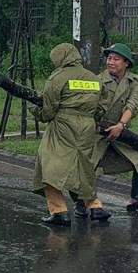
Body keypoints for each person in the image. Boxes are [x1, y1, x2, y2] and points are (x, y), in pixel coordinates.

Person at [32, 42, 104, 226]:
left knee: (50, 165)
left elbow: (49, 109)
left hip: (63, 125)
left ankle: (59, 211)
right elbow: (102, 106)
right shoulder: (94, 78)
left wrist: (37, 113)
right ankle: (95, 206)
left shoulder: (57, 77)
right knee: (84, 167)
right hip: (88, 126)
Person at [88, 41, 138, 216]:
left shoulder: (135, 81)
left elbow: (132, 105)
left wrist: (120, 126)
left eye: (116, 59)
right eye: (109, 58)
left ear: (126, 63)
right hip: (97, 132)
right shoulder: (97, 80)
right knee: (89, 167)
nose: (111, 62)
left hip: (120, 132)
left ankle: (137, 201)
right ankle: (87, 204)